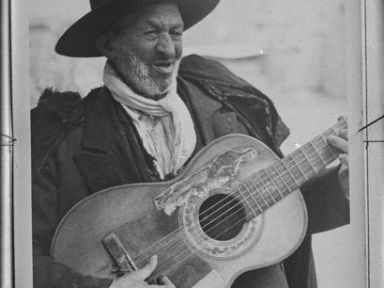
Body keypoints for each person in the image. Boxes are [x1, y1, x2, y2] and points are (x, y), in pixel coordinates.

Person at [31, 0, 349, 287]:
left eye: (176, 32)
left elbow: (278, 206)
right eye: (151, 33)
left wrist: (342, 186)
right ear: (109, 43)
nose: (168, 50)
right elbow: (19, 256)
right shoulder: (63, 139)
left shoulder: (226, 106)